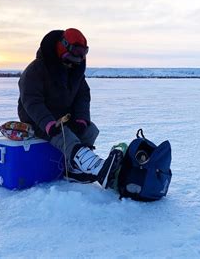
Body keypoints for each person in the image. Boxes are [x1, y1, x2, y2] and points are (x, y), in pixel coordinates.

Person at [17, 28, 123, 188]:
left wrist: (81, 118)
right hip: (36, 119)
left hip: (63, 116)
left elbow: (83, 95)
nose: (74, 63)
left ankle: (73, 168)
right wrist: (48, 123)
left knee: (90, 130)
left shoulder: (74, 71)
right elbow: (32, 101)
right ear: (62, 47)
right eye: (72, 57)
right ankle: (95, 166)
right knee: (64, 135)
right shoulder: (36, 69)